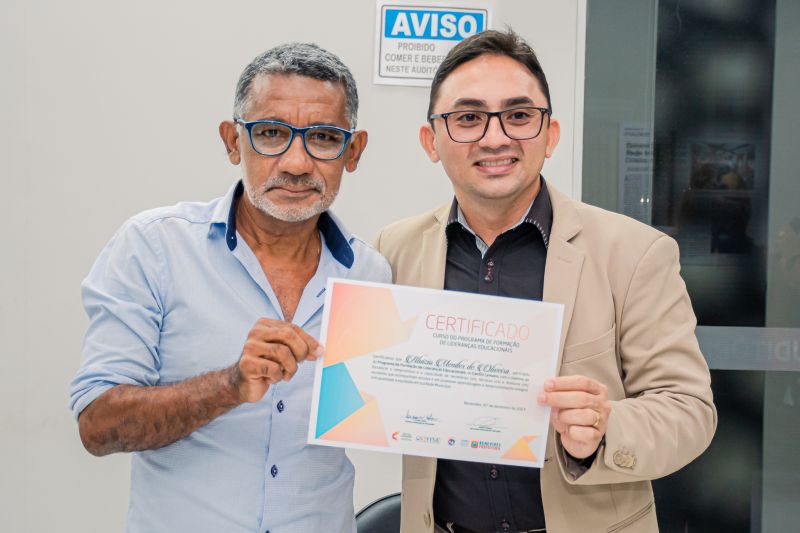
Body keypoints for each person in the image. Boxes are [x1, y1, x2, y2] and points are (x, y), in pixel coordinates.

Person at [375, 30, 716, 533]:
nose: (495, 138)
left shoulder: (634, 253)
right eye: (468, 118)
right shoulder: (394, 250)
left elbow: (689, 411)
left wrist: (606, 427)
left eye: (518, 115)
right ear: (432, 141)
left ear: (550, 134)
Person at [69, 42, 390, 533]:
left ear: (354, 151)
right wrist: (230, 386)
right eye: (271, 133)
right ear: (232, 141)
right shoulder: (154, 248)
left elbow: (396, 410)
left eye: (324, 137)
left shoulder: (370, 274)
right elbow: (98, 426)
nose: (297, 163)